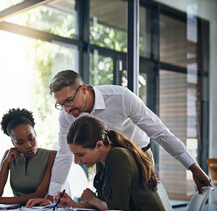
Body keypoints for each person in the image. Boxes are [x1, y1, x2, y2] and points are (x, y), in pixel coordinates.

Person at [46, 69, 211, 197]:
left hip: (138, 156)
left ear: (83, 89)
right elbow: (64, 154)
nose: (66, 109)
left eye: (69, 100)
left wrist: (193, 168)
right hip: (104, 161)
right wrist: (52, 196)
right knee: (108, 210)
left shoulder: (121, 98)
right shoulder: (67, 115)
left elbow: (160, 133)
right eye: (60, 104)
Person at [28, 116, 174, 211]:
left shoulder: (118, 157)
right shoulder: (102, 160)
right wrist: (75, 204)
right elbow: (106, 205)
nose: (77, 161)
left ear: (99, 145)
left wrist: (91, 199)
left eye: (80, 154)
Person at [0, 108, 56, 205]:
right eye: (20, 142)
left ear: (35, 133)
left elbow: (39, 195)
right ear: (13, 143)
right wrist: (5, 164)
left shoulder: (52, 156)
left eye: (31, 138)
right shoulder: (9, 156)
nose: (28, 145)